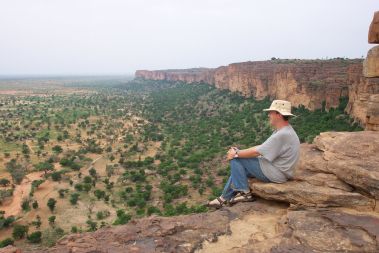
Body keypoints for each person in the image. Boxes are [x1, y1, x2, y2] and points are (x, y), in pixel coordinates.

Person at [208, 100, 300, 208]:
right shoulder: (284, 131)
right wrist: (238, 152)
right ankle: (223, 198)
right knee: (239, 168)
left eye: (271, 112)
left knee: (236, 160)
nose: (268, 115)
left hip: (277, 173)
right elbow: (260, 147)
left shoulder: (282, 134)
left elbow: (257, 152)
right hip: (279, 170)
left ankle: (245, 193)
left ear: (278, 114)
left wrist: (235, 154)